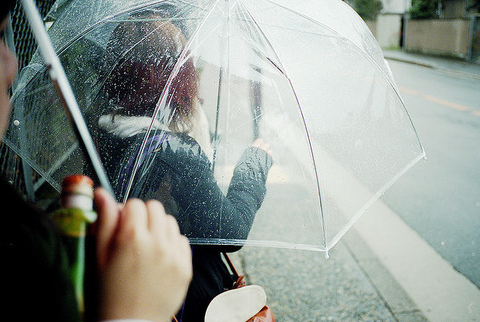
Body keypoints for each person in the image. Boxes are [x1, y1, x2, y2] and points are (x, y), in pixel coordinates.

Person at [0, 1, 192, 321]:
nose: (11, 60)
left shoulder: (101, 125)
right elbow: (229, 225)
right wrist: (132, 314)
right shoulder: (26, 254)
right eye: (0, 34)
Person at [94, 13, 273, 322]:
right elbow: (228, 232)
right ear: (173, 78)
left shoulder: (107, 129)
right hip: (182, 298)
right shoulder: (174, 153)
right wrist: (252, 168)